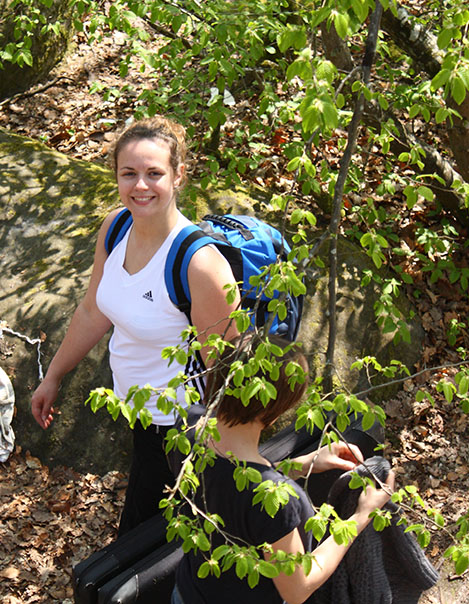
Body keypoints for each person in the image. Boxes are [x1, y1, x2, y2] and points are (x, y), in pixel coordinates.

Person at [30, 116, 239, 534]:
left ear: (178, 175)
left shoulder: (199, 265)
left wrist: (220, 450)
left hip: (183, 426)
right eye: (129, 174)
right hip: (140, 411)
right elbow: (94, 310)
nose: (140, 186)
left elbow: (228, 369)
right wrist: (54, 375)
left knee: (146, 539)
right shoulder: (116, 226)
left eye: (154, 173)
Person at [171, 334, 396, 604]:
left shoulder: (186, 429)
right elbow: (298, 588)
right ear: (274, 411)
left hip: (188, 593)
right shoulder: (279, 501)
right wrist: (361, 516)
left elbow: (228, 482)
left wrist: (302, 464)